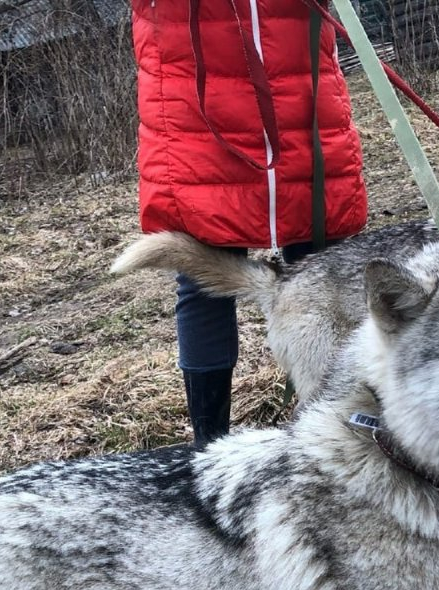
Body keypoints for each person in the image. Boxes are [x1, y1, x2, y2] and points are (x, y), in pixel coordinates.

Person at [131, 0, 369, 448]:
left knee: (329, 270)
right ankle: (209, 443)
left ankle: (346, 423)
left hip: (300, 92)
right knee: (203, 276)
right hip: (192, 107)